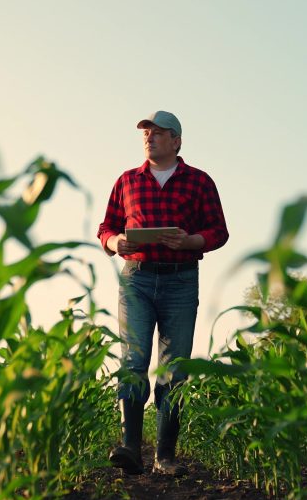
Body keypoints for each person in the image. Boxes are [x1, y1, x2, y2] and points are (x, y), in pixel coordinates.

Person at [97, 110, 229, 476]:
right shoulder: (127, 181)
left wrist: (190, 241)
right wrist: (115, 241)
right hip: (136, 278)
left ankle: (165, 458)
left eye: (158, 133)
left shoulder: (199, 181)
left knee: (173, 370)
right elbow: (106, 226)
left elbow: (219, 231)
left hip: (181, 280)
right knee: (134, 362)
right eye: (146, 133)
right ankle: (130, 449)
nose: (149, 137)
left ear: (177, 141)